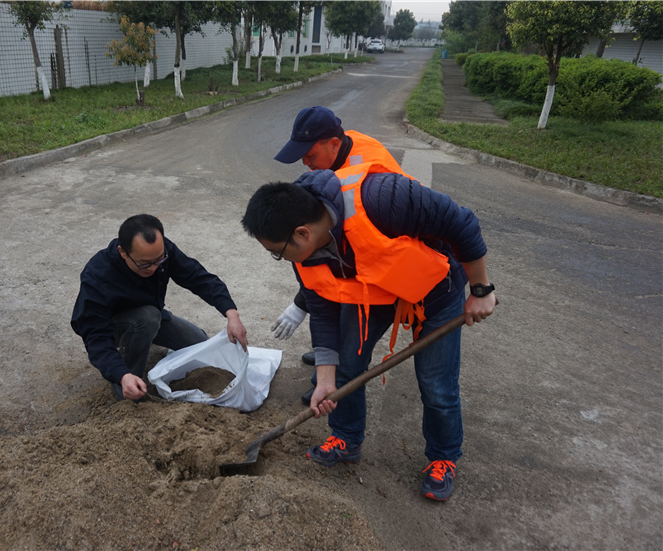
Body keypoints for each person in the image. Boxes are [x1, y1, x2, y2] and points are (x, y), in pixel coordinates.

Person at [241, 162, 496, 501]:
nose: (279, 257)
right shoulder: (304, 255)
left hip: (433, 289)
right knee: (346, 366)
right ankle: (345, 437)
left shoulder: (385, 198)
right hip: (371, 294)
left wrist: (480, 290)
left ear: (302, 233)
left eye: (277, 252)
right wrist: (326, 378)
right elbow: (323, 311)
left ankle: (443, 457)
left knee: (437, 384)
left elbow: (463, 223)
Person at [273, 105, 412, 404]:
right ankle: (329, 361)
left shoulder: (369, 176)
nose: (307, 165)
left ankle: (336, 376)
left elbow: (342, 253)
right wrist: (304, 301)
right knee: (330, 301)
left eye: (311, 157)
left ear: (334, 144)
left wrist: (301, 304)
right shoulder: (335, 151)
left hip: (382, 268)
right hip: (355, 261)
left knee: (352, 335)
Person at [71, 214, 248, 402]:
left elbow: (198, 277)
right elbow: (95, 337)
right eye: (144, 263)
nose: (153, 268)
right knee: (147, 319)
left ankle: (145, 338)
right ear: (123, 252)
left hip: (152, 316)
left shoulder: (161, 253)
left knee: (200, 344)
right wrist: (121, 374)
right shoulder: (98, 275)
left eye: (158, 261)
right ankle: (128, 384)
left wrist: (231, 314)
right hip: (115, 326)